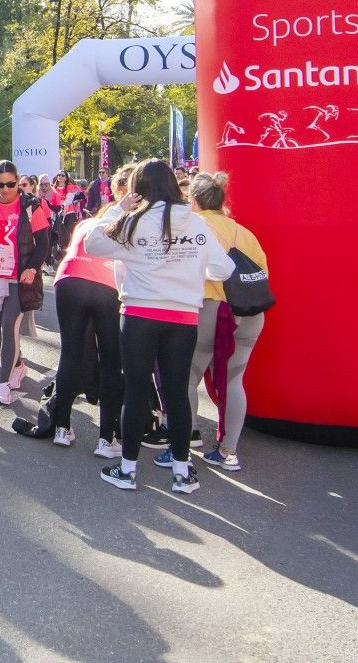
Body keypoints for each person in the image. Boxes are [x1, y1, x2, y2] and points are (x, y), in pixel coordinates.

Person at [84, 159, 234, 494]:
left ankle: (128, 469)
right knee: (177, 392)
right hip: (183, 317)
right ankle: (182, 472)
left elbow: (92, 243)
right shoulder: (196, 224)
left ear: (139, 188)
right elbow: (223, 268)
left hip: (139, 315)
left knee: (136, 391)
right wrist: (192, 272)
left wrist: (118, 209)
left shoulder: (133, 221)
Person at [12, 165, 129, 455]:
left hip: (69, 280)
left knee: (71, 353)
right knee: (111, 359)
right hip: (105, 285)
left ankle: (62, 428)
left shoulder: (89, 222)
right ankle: (106, 439)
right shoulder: (129, 223)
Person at [186, 172, 267, 473]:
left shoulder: (196, 228)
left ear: (193, 200)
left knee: (188, 377)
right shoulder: (244, 232)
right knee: (235, 379)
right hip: (250, 313)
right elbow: (262, 272)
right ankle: (229, 451)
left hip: (211, 309)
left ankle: (188, 435)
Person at [0, 160, 52, 406]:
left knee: (8, 326)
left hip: (17, 278)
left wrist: (32, 268)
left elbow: (43, 242)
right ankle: (17, 364)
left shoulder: (31, 206)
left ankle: (2, 385)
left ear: (18, 181)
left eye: (11, 184)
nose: (5, 189)